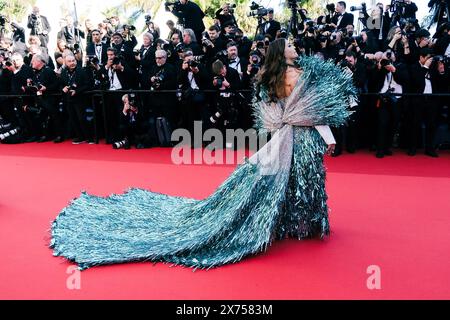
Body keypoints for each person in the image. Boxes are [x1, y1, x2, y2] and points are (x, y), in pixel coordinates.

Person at [50, 38, 355, 270]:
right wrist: (328, 132)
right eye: (289, 45)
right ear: (281, 53)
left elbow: (286, 111)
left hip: (288, 137)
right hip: (298, 138)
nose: (294, 46)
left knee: (283, 180)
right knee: (296, 179)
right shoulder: (293, 76)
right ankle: (296, 223)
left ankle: (290, 223)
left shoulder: (282, 75)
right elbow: (312, 112)